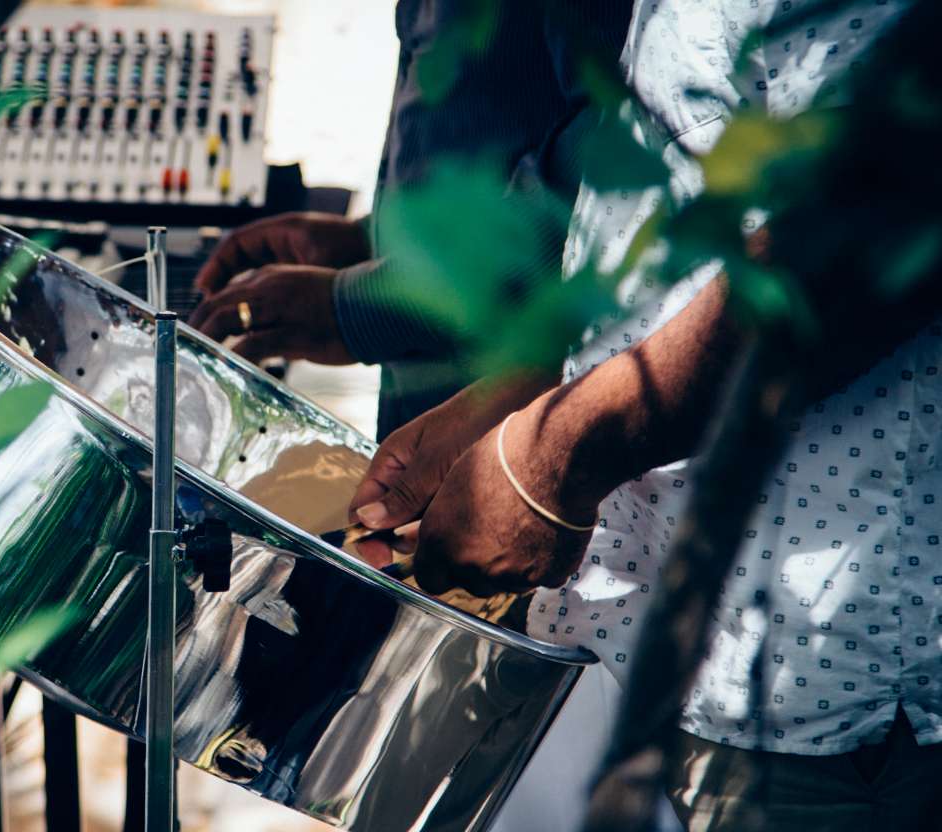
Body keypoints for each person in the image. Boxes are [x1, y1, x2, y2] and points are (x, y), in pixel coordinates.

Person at [349, 1, 942, 828]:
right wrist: (528, 389)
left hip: (812, 702)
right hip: (658, 638)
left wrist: (558, 455)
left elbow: (867, 220)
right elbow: (696, 209)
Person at [187, 0, 632, 437]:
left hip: (507, 422)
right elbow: (502, 122)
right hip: (425, 398)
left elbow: (606, 167)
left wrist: (361, 308)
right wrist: (371, 239)